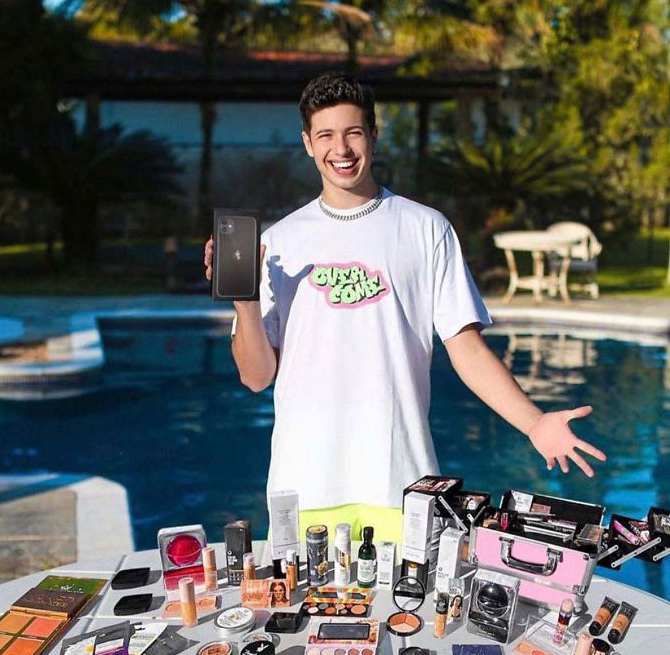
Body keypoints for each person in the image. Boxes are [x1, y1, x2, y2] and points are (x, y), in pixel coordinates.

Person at [204, 72, 606, 543]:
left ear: (374, 136)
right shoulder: (279, 243)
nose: (341, 149)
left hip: (402, 486)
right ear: (308, 143)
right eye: (326, 135)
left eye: (354, 132)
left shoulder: (426, 229)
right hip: (304, 488)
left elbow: (466, 349)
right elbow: (255, 377)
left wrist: (534, 422)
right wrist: (246, 302)